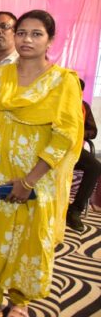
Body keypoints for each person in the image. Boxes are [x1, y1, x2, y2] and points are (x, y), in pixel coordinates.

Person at [0, 10, 83, 317]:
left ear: (50, 40)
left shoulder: (63, 81)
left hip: (36, 177)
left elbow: (64, 138)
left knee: (27, 240)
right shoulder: (4, 75)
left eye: (36, 34)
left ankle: (19, 303)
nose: (27, 39)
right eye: (22, 32)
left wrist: (28, 182)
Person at [66, 79, 101, 232]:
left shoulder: (83, 106)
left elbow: (93, 131)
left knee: (95, 167)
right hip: (51, 148)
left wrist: (79, 133)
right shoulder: (54, 102)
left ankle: (75, 210)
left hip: (74, 149)